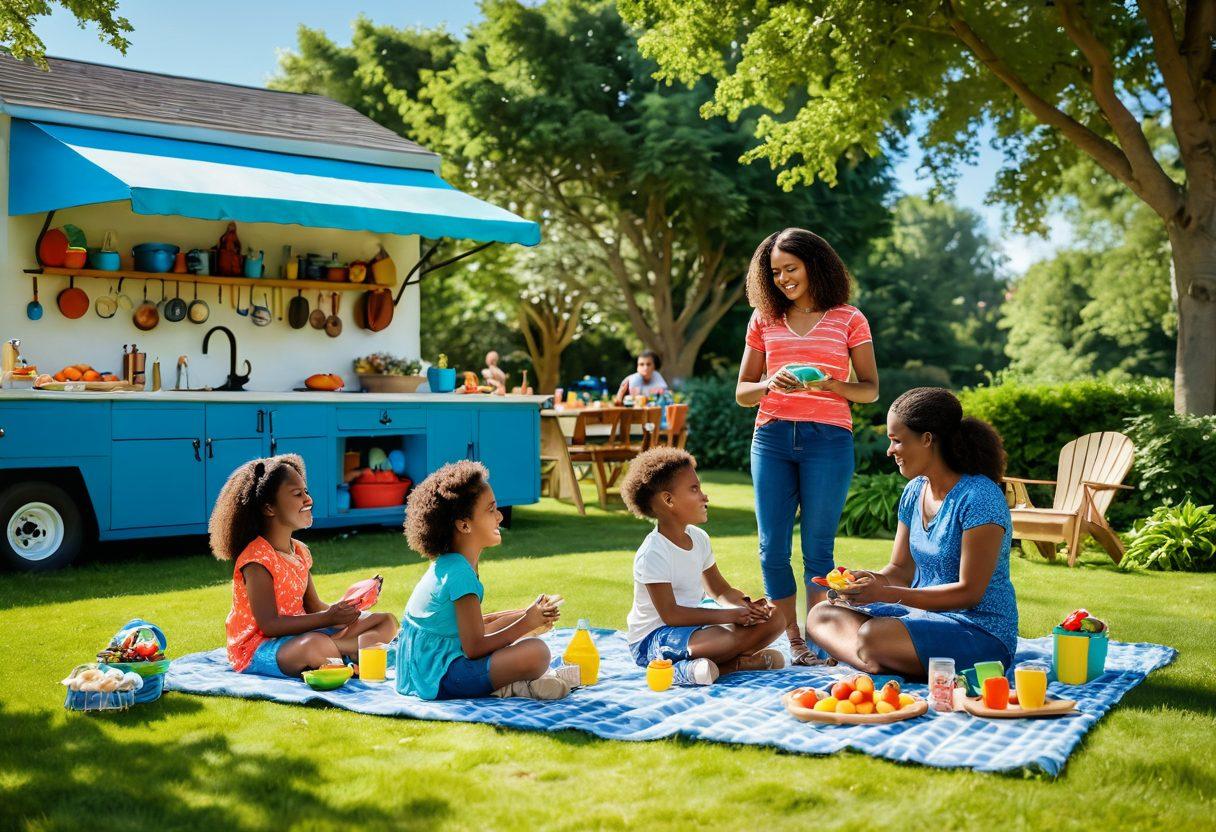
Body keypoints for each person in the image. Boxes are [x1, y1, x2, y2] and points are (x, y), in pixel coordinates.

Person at [734, 228, 879, 666]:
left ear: (814, 264)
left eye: (790, 268)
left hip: (829, 440)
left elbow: (870, 389)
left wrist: (830, 382)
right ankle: (794, 641)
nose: (782, 279)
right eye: (775, 272)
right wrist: (767, 382)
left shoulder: (849, 318)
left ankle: (821, 641)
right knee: (771, 547)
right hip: (772, 437)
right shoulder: (763, 318)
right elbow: (742, 392)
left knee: (818, 548)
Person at [806, 388, 1018, 677]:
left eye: (897, 441)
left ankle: (872, 658)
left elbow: (969, 592)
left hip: (978, 630)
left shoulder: (979, 497)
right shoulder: (915, 491)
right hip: (919, 619)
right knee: (821, 614)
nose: (890, 450)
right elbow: (899, 569)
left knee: (873, 636)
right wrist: (865, 584)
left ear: (927, 439)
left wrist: (887, 594)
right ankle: (878, 659)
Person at [210, 454, 398, 678]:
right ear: (269, 508)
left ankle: (342, 652)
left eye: (306, 492)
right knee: (315, 645)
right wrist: (329, 619)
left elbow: (314, 606)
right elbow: (269, 625)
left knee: (386, 620)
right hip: (260, 648)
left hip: (302, 635)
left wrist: (348, 610)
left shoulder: (299, 551)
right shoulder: (257, 560)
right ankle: (349, 651)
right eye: (297, 494)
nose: (308, 500)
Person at [396, 460, 571, 700]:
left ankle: (508, 683)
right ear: (464, 524)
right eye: (491, 509)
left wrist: (528, 614)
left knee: (523, 641)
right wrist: (526, 624)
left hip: (426, 669)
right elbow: (474, 647)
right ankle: (509, 687)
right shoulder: (460, 573)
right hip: (440, 677)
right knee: (537, 652)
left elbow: (479, 624)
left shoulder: (452, 563)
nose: (499, 516)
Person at [622, 447, 787, 686]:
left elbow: (719, 590)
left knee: (776, 618)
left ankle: (716, 666)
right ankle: (731, 664)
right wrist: (730, 616)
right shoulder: (653, 553)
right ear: (668, 500)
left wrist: (747, 607)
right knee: (724, 638)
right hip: (653, 638)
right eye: (694, 489)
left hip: (694, 626)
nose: (704, 497)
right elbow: (671, 614)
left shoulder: (699, 538)